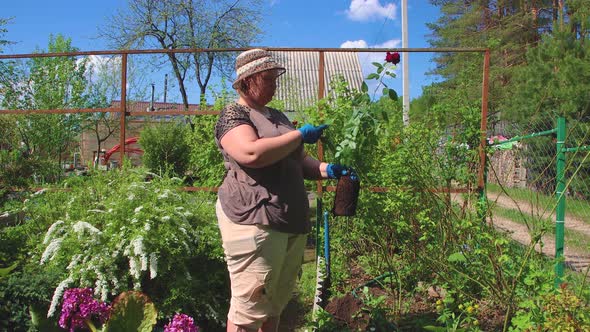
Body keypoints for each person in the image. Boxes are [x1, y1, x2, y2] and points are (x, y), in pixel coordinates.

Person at [214, 48, 349, 332]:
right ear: (248, 81)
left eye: (276, 78)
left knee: (274, 303)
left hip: (288, 219)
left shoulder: (277, 116)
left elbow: (300, 161)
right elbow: (250, 153)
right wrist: (299, 135)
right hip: (254, 220)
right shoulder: (234, 114)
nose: (275, 84)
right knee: (250, 307)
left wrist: (328, 169)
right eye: (269, 79)